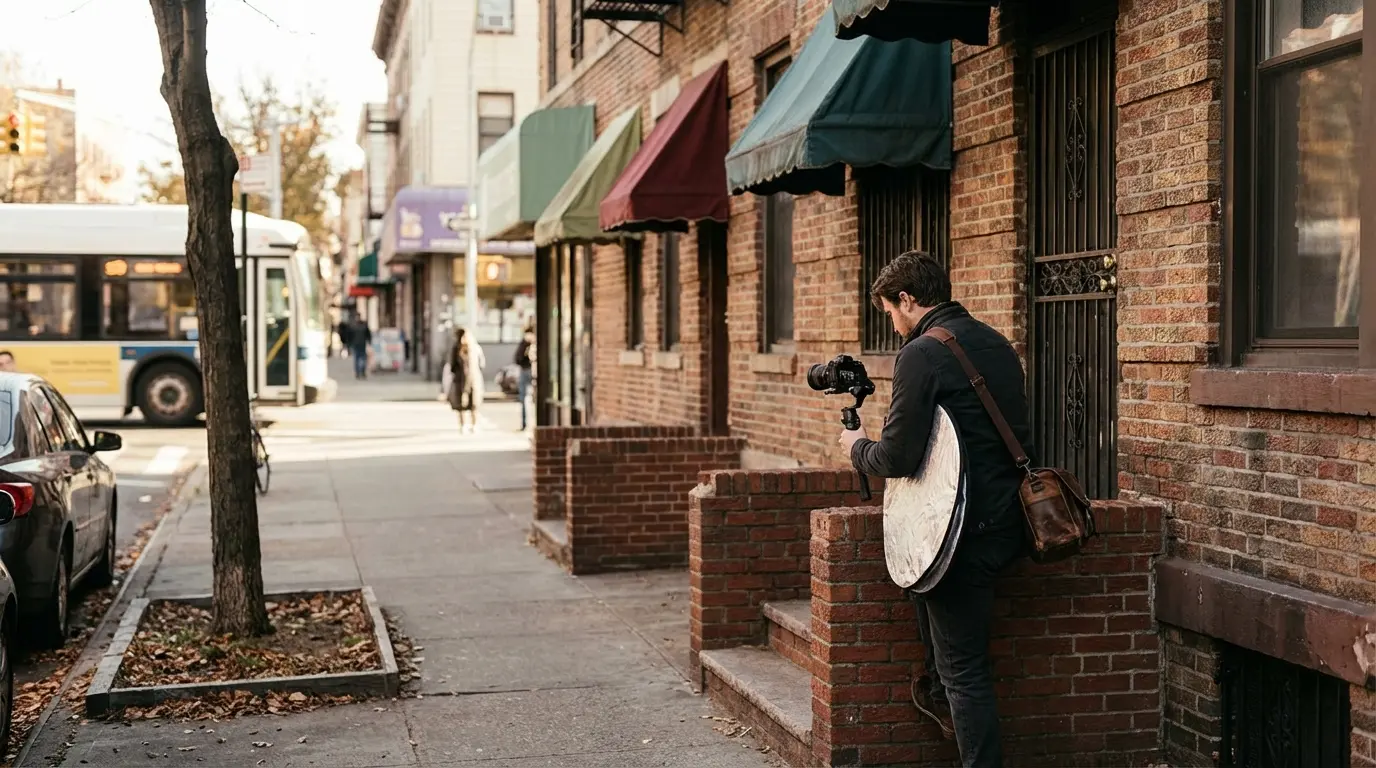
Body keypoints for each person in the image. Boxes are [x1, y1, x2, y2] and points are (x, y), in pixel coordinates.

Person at [839, 251, 1033, 768]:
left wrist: (856, 446)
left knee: (963, 671)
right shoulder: (996, 343)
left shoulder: (922, 353)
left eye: (890, 312)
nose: (894, 325)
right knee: (949, 662)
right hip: (1007, 522)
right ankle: (940, 703)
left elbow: (897, 456)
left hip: (957, 534)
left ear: (907, 299)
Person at [445, 328, 485, 433]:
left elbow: (482, 364)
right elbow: (452, 365)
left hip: (473, 380)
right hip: (461, 380)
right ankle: (464, 425)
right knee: (461, 404)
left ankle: (474, 424)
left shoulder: (475, 348)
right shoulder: (457, 349)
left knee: (474, 404)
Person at [514, 327, 534, 431]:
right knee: (525, 398)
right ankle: (525, 423)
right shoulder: (525, 344)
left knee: (525, 398)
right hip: (526, 370)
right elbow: (517, 358)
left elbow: (517, 358)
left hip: (527, 370)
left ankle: (526, 423)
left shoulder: (528, 344)